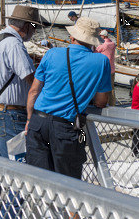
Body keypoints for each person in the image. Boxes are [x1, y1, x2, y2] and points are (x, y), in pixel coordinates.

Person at [25, 16, 112, 185]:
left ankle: (42, 210)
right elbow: (101, 102)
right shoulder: (101, 61)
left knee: (38, 180)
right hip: (64, 126)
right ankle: (68, 212)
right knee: (68, 184)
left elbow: (33, 91)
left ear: (72, 37)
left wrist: (29, 119)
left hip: (38, 121)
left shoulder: (51, 53)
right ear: (93, 41)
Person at [0, 5, 41, 219]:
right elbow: (30, 78)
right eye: (33, 27)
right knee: (21, 172)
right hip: (11, 115)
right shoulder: (14, 44)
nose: (34, 31)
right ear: (26, 26)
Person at [95, 29, 117, 106]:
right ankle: (112, 104)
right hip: (112, 69)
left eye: (100, 36)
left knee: (102, 87)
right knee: (112, 88)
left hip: (104, 69)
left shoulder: (104, 45)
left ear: (103, 36)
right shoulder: (113, 43)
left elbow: (95, 52)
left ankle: (102, 103)